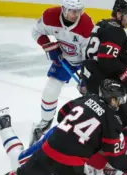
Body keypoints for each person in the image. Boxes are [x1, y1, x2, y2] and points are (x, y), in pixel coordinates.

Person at [81, 0, 127, 167]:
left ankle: (97, 158)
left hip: (91, 81)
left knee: (102, 122)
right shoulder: (116, 31)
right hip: (108, 86)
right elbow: (107, 60)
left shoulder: (102, 24)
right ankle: (125, 159)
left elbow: (105, 50)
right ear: (119, 13)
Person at [29, 0, 94, 146]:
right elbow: (36, 32)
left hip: (86, 62)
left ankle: (96, 129)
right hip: (65, 59)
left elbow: (89, 54)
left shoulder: (86, 25)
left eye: (79, 10)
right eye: (72, 11)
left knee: (94, 97)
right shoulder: (50, 16)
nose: (76, 14)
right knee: (50, 91)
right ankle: (44, 123)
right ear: (64, 9)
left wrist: (86, 76)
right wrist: (49, 46)